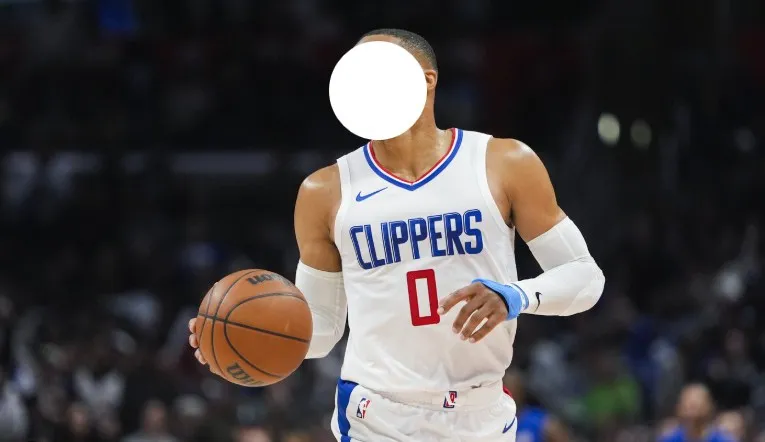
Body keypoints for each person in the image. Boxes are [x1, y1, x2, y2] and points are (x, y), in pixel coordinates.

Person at [188, 28, 605, 441]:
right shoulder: (324, 190)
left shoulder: (503, 162)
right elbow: (322, 328)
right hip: (376, 417)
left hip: (481, 415)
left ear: (427, 79)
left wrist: (516, 295)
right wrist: (238, 334)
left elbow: (585, 277)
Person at [504, 370, 569, 442]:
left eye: (513, 389)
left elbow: (559, 435)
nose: (509, 394)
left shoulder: (537, 420)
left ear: (521, 392)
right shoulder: (497, 422)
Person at [658, 384, 738, 442]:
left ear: (709, 407)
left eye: (695, 406)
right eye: (686, 406)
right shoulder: (670, 439)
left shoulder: (723, 440)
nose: (691, 413)